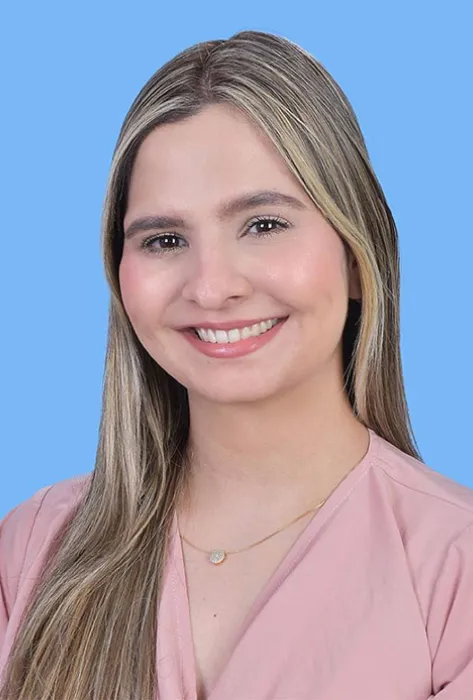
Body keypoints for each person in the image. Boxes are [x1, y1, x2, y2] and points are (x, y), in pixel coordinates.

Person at [1, 29, 472, 700]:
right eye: (165, 239)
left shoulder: (455, 570)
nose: (211, 287)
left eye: (263, 224)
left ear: (356, 255)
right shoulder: (33, 548)